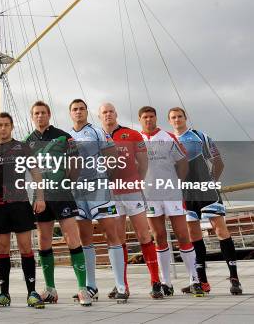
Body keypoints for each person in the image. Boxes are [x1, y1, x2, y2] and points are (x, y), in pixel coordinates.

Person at [169, 107, 242, 295]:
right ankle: (202, 282)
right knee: (194, 235)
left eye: (179, 116)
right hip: (186, 194)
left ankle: (234, 278)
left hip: (206, 191)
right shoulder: (169, 141)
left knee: (220, 230)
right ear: (170, 121)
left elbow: (219, 162)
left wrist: (211, 183)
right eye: (173, 117)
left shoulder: (199, 136)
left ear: (186, 118)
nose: (177, 120)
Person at [24, 101, 90, 306]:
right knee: (44, 240)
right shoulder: (27, 141)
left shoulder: (64, 136)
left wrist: (67, 181)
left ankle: (82, 289)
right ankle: (50, 289)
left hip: (62, 194)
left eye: (43, 112)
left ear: (49, 114)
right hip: (40, 197)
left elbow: (76, 163)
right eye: (36, 113)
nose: (40, 116)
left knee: (72, 237)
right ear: (32, 116)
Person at [98, 102, 163, 299]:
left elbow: (143, 162)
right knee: (117, 239)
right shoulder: (96, 137)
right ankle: (122, 286)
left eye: (111, 111)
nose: (108, 115)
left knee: (144, 234)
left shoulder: (132, 134)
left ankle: (155, 282)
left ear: (116, 113)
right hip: (111, 195)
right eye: (104, 112)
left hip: (131, 191)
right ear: (100, 116)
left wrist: (137, 182)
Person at [138, 106, 204, 297]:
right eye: (145, 117)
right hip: (150, 195)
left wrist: (177, 183)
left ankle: (194, 280)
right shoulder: (138, 140)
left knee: (183, 235)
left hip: (171, 194)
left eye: (151, 116)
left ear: (156, 118)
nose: (148, 120)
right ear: (140, 120)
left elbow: (182, 162)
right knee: (158, 236)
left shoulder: (167, 137)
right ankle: (166, 282)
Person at [68, 99, 128, 303]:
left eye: (81, 109)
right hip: (78, 191)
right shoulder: (67, 136)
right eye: (74, 109)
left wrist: (104, 177)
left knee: (111, 233)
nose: (78, 112)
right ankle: (90, 286)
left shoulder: (97, 131)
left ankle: (121, 285)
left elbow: (111, 155)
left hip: (98, 187)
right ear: (70, 113)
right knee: (85, 238)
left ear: (87, 112)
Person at [0, 112, 45, 309]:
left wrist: (40, 197)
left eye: (6, 125)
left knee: (25, 247)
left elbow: (36, 173)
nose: (2, 128)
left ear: (11, 127)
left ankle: (32, 293)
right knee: (2, 248)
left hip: (20, 203)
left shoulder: (23, 147)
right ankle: (4, 294)